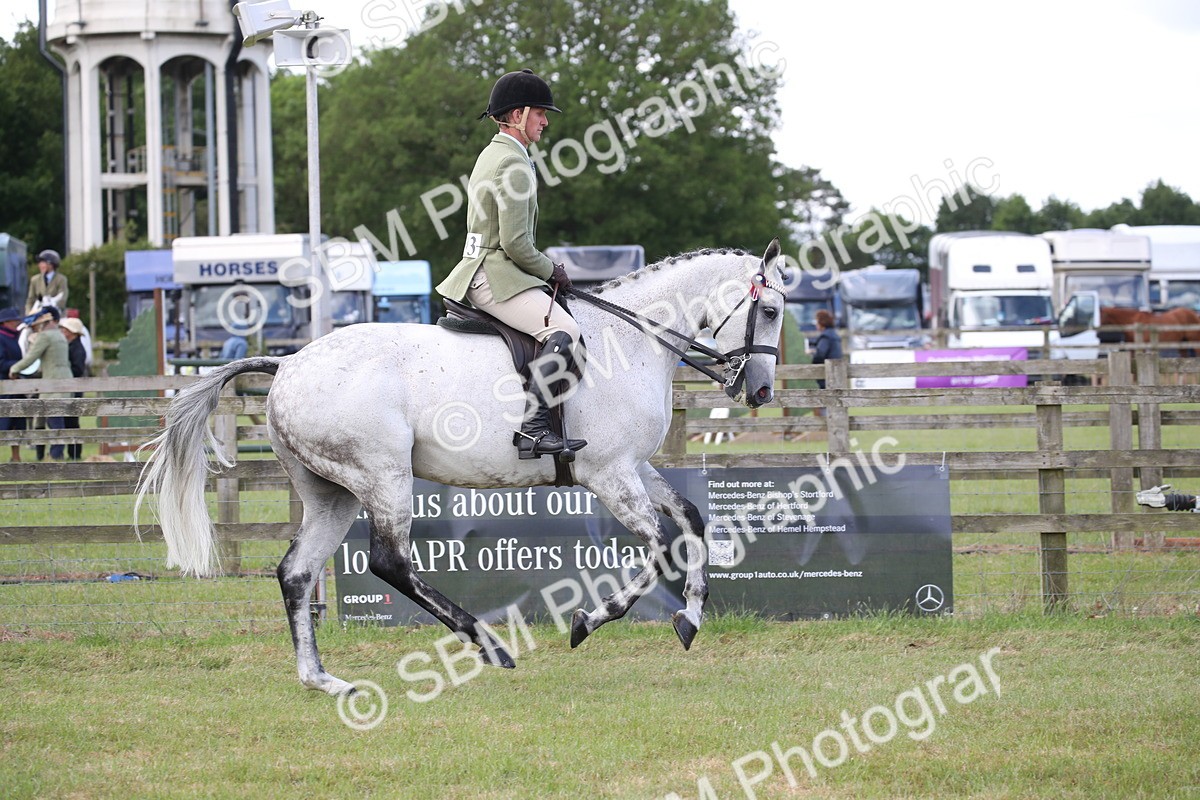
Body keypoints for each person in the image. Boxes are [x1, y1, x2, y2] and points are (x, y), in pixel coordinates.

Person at [435, 68, 586, 460]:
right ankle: (533, 430)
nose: (545, 121)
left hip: (484, 268)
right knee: (566, 329)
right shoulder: (513, 164)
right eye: (540, 113)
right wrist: (553, 271)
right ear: (518, 114)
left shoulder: (494, 153)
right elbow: (517, 244)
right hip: (493, 275)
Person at [9, 307, 72, 461]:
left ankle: (55, 456)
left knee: (54, 422)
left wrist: (14, 369)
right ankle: (51, 456)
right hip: (65, 381)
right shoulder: (60, 335)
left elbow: (31, 357)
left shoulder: (45, 337)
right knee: (56, 420)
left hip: (52, 384)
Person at [60, 317, 90, 460]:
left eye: (65, 330)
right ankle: (73, 453)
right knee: (69, 421)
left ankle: (75, 453)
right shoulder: (73, 346)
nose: (63, 332)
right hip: (72, 387)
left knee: (72, 422)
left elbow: (77, 369)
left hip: (74, 388)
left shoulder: (76, 348)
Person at [0, 306, 27, 461]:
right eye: (14, 321)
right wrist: (18, 365)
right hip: (4, 387)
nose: (17, 323)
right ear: (5, 323)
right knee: (3, 422)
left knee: (16, 423)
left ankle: (16, 456)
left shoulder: (13, 338)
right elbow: (1, 362)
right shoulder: (1, 338)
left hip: (14, 385)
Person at [809, 309, 843, 416]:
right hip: (836, 373)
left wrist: (811, 358)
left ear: (821, 322)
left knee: (824, 399)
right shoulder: (833, 334)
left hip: (826, 374)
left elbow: (820, 354)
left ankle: (825, 424)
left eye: (816, 322)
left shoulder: (826, 336)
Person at [25, 249, 69, 314]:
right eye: (40, 263)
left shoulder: (61, 279)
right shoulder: (35, 280)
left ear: (51, 264)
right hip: (38, 313)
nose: (40, 265)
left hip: (56, 313)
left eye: (43, 263)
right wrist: (29, 313)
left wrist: (50, 308)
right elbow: (30, 300)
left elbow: (62, 299)